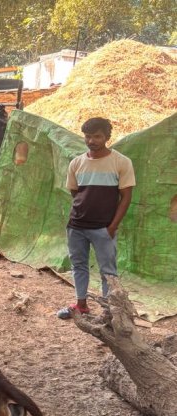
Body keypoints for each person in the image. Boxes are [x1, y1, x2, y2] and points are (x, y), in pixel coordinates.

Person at [57, 117, 135, 319]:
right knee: (78, 265)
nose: (92, 141)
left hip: (104, 228)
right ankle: (81, 304)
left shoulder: (121, 162)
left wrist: (112, 227)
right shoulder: (77, 163)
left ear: (107, 137)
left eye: (97, 136)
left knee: (108, 271)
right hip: (76, 226)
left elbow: (126, 197)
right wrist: (83, 212)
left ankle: (111, 312)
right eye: (88, 136)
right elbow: (77, 194)